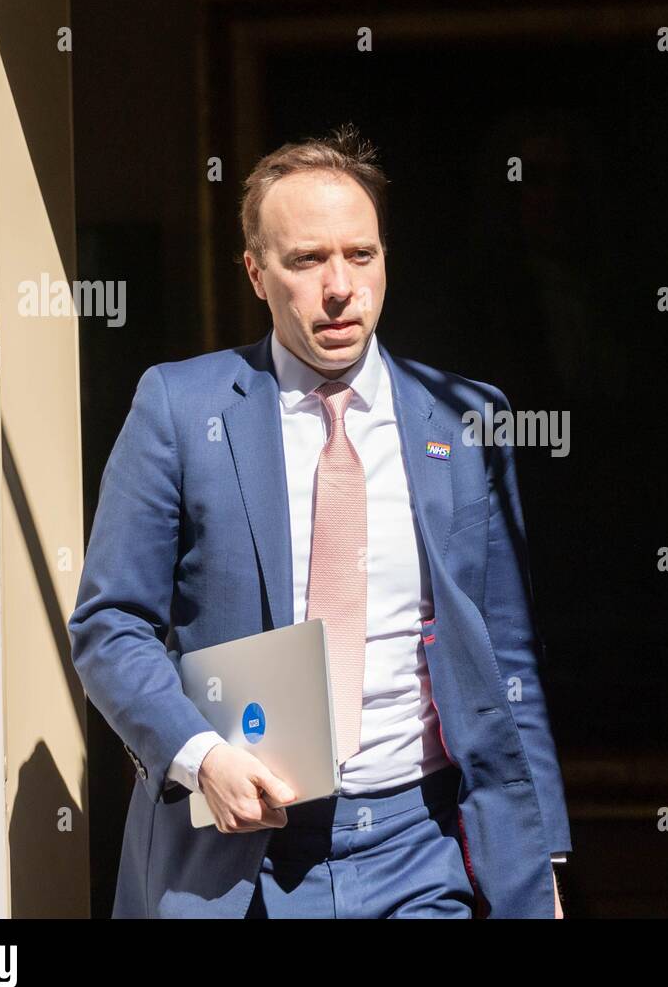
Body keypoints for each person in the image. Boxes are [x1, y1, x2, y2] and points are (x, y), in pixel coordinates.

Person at [68, 124, 570, 918]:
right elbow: (110, 626)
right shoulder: (180, 408)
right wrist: (200, 759)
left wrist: (538, 859)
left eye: (360, 255)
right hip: (242, 853)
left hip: (421, 842)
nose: (340, 286)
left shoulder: (467, 420)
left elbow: (506, 651)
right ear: (257, 274)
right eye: (306, 260)